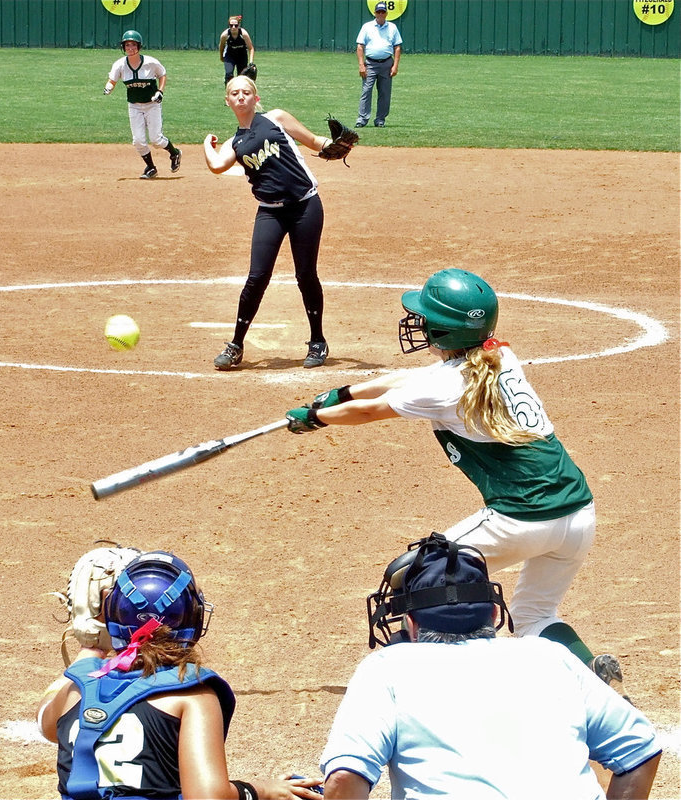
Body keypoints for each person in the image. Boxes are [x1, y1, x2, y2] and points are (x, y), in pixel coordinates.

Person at [286, 268, 631, 698]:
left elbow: (374, 412)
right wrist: (345, 392)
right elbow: (406, 382)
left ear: (441, 328)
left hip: (521, 517)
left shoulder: (444, 388)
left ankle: (424, 679)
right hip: (578, 514)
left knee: (411, 576)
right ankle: (593, 676)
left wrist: (314, 418)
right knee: (535, 613)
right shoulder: (498, 356)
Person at [320, 532, 662, 799]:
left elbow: (345, 779)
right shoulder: (551, 656)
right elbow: (641, 752)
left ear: (411, 623)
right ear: (496, 614)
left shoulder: (387, 668)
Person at [36, 550, 322, 800]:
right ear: (193, 619)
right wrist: (261, 791)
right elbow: (208, 797)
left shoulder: (78, 689)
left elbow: (46, 723)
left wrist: (91, 643)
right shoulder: (191, 694)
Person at [203, 75, 333, 371]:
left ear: (256, 98)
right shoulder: (235, 143)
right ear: (227, 101)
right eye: (234, 93)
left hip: (305, 206)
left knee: (305, 275)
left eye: (246, 92)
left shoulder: (276, 119)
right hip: (270, 212)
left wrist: (335, 147)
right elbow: (216, 165)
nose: (241, 97)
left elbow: (313, 140)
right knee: (257, 277)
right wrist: (207, 145)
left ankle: (318, 341)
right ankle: (236, 345)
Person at [103, 30, 182, 179]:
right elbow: (112, 80)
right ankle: (151, 168)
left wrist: (160, 91)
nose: (130, 48)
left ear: (139, 46)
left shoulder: (150, 62)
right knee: (138, 140)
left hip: (152, 105)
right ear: (123, 47)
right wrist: (108, 88)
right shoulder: (120, 65)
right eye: (127, 45)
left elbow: (162, 74)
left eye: (133, 45)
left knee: (156, 139)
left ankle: (175, 153)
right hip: (134, 106)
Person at [355, 1, 402, 128]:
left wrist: (395, 66)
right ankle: (362, 119)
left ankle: (380, 119)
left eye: (383, 12)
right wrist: (361, 65)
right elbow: (360, 46)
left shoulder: (392, 27)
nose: (380, 14)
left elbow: (397, 47)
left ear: (386, 13)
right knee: (366, 90)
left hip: (387, 63)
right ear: (375, 13)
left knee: (385, 93)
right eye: (378, 12)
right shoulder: (367, 27)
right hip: (370, 63)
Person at [219, 15, 255, 87]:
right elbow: (221, 46)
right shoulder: (225, 35)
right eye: (231, 25)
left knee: (242, 77)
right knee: (229, 74)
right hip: (230, 55)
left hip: (242, 56)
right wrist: (221, 57)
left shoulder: (243, 34)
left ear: (239, 25)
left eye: (236, 25)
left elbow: (251, 48)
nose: (233, 27)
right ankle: (229, 91)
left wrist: (251, 62)